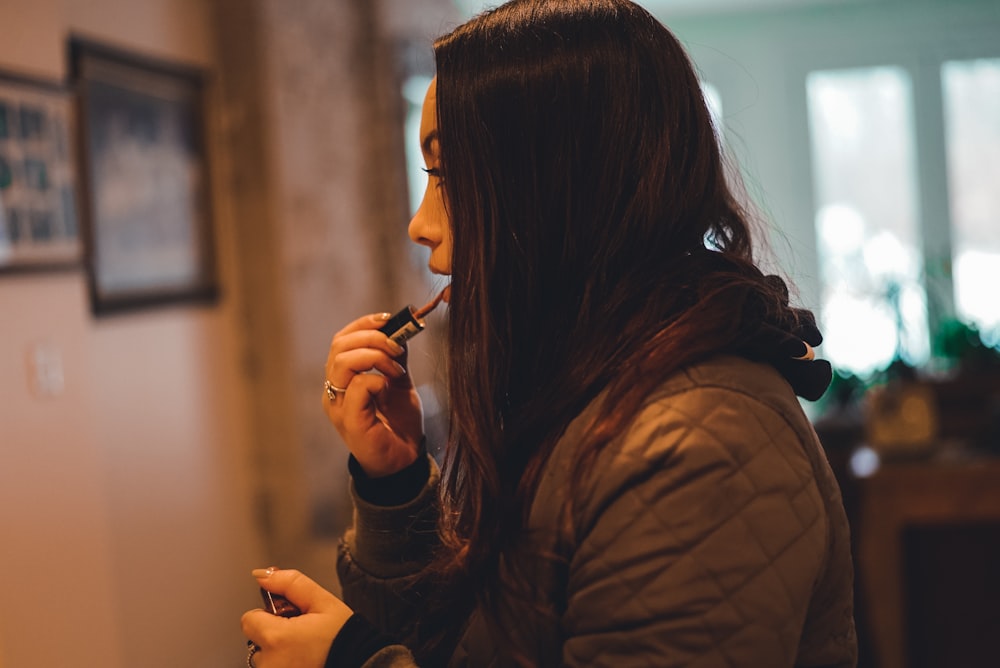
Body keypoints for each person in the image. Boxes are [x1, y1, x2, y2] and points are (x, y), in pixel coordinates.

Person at [241, 0, 858, 666]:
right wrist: (393, 482)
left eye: (445, 175)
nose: (421, 226)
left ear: (557, 188)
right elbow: (475, 644)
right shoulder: (587, 388)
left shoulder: (693, 442)